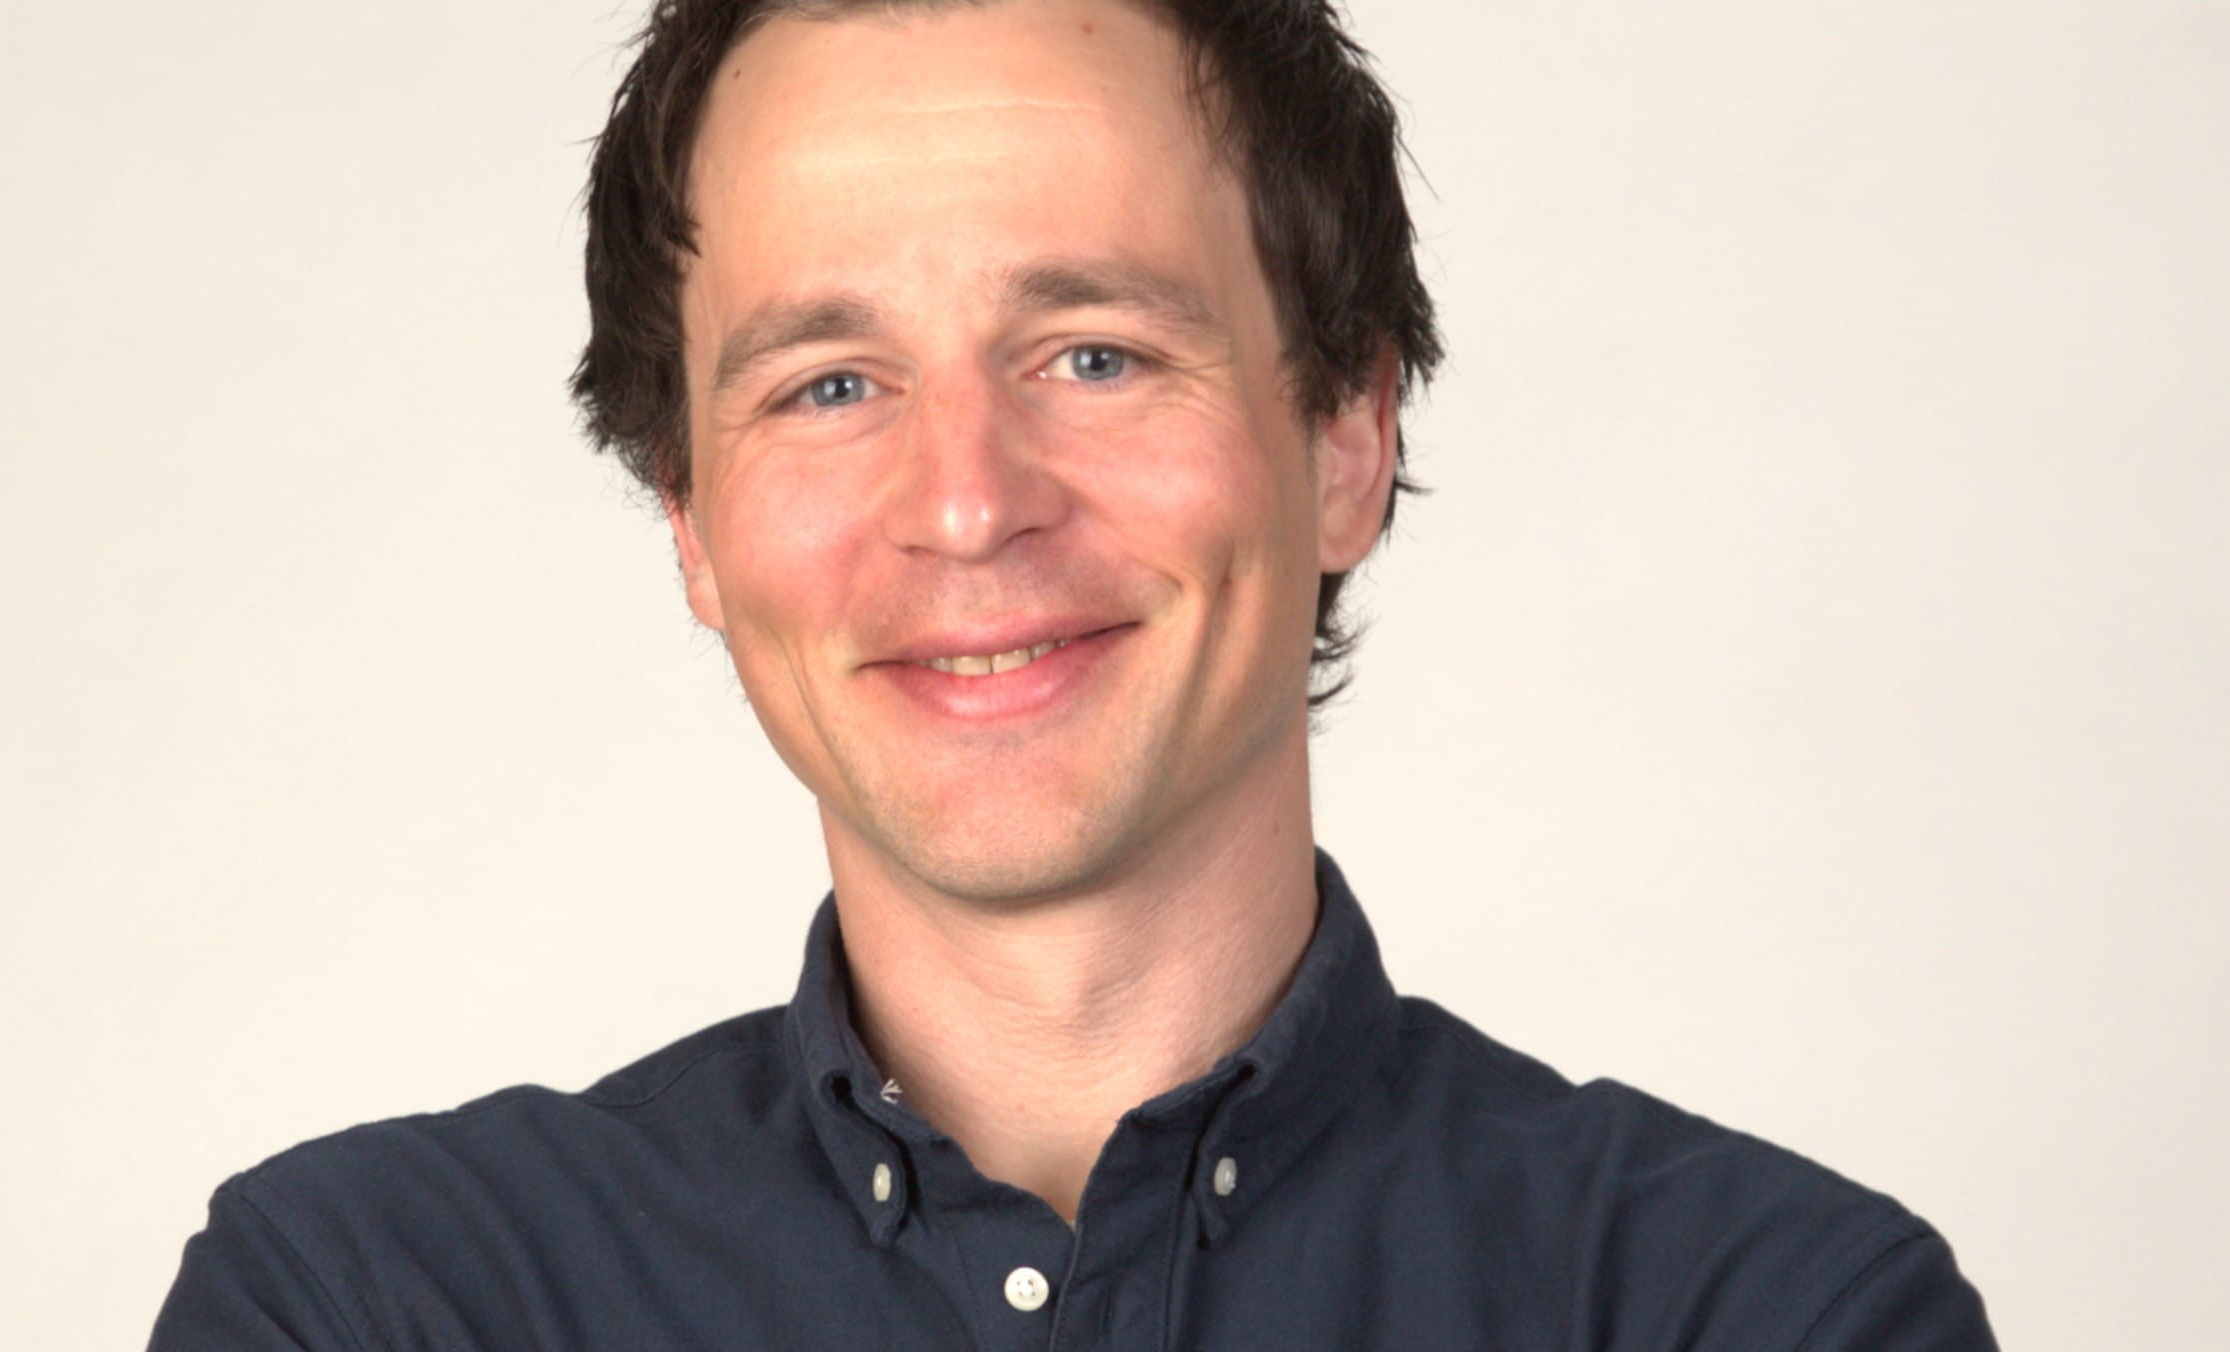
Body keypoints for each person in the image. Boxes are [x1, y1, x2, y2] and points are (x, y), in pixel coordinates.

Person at [150, 0, 1998, 1346]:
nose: (966, 505)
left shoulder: (1757, 1311)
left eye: (1094, 356)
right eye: (829, 385)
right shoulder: (379, 1306)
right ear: (691, 523)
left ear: (1345, 438)